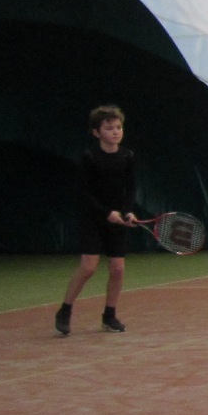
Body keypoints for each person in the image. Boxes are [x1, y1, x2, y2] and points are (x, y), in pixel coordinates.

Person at [56, 105, 138, 334]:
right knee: (89, 267)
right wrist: (106, 213)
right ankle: (65, 310)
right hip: (92, 218)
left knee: (118, 269)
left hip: (117, 220)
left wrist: (128, 211)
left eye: (119, 127)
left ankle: (109, 316)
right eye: (109, 128)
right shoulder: (89, 157)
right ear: (96, 132)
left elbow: (131, 188)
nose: (115, 132)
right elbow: (83, 192)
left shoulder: (128, 156)